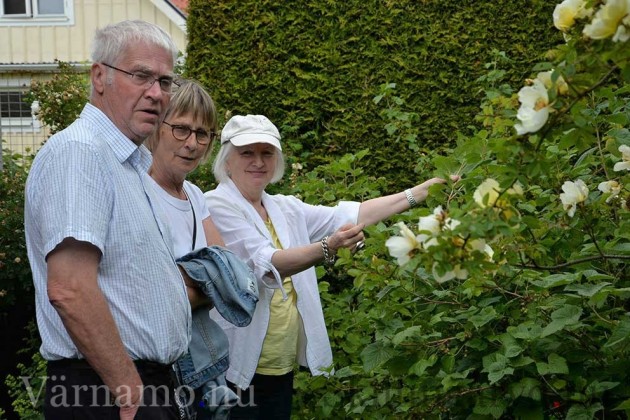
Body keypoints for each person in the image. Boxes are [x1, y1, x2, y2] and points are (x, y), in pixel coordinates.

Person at [204, 114, 458, 419]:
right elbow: (266, 262)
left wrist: (423, 192)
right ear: (227, 161)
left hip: (278, 365)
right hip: (235, 365)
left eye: (266, 153)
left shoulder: (284, 207)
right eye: (247, 153)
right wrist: (328, 247)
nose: (258, 161)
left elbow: (351, 213)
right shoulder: (215, 205)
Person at [25, 20, 188, 419]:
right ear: (100, 76)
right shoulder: (80, 153)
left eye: (165, 82)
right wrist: (130, 392)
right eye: (141, 76)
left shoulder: (128, 165)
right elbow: (70, 289)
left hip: (131, 389)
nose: (156, 93)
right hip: (105, 394)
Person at [145, 79, 251, 419]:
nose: (192, 143)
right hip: (153, 371)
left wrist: (191, 282)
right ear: (157, 128)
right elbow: (149, 295)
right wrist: (206, 281)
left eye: (202, 134)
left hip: (199, 368)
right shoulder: (139, 192)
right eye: (181, 129)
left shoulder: (194, 196)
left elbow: (234, 278)